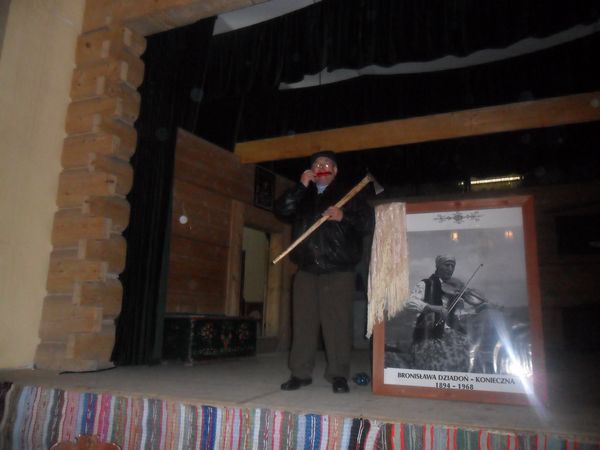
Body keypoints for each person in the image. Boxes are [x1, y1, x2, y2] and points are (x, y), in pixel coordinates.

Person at [275, 150, 373, 393]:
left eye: (327, 164)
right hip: (306, 269)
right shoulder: (303, 195)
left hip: (338, 270)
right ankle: (300, 373)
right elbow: (282, 210)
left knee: (337, 325)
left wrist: (343, 216)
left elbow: (367, 223)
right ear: (311, 170)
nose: (321, 167)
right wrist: (300, 186)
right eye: (317, 164)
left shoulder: (350, 194)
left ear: (335, 170)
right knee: (303, 324)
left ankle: (338, 374)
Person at [405, 255, 473, 372]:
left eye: (452, 266)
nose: (450, 269)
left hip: (451, 334)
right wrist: (433, 307)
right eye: (447, 265)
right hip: (431, 334)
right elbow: (409, 302)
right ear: (438, 266)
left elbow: (458, 315)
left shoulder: (453, 289)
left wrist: (463, 305)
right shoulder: (426, 284)